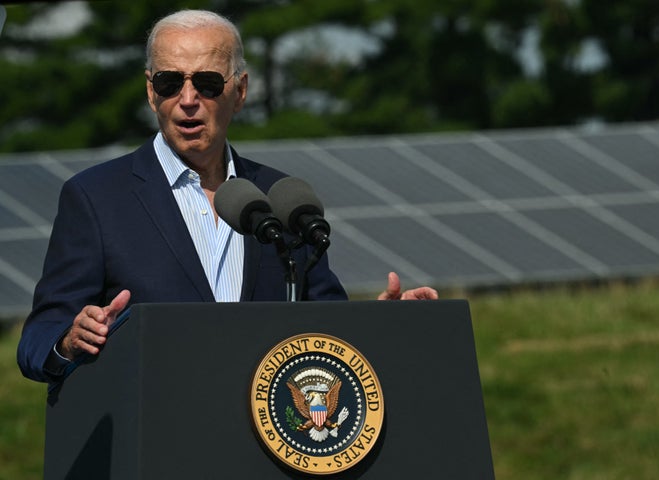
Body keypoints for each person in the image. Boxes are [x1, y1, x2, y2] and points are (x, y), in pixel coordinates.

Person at [17, 10, 437, 384]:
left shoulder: (281, 197)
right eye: (169, 81)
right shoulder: (96, 197)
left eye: (206, 82)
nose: (186, 100)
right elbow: (37, 340)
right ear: (150, 91)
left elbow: (325, 331)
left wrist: (382, 324)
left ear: (239, 91)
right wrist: (70, 340)